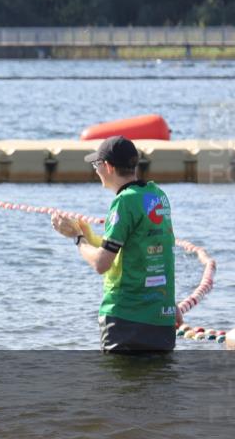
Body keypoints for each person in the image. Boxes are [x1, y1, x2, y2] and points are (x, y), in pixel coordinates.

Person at [51, 135, 180, 352]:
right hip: (160, 315)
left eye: (96, 164)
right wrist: (170, 303)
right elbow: (151, 252)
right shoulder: (157, 195)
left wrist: (77, 238)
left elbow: (102, 263)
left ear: (108, 167)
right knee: (157, 383)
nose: (95, 170)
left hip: (126, 318)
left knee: (119, 385)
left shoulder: (123, 201)